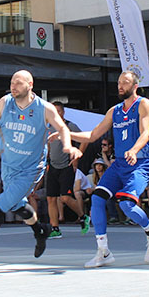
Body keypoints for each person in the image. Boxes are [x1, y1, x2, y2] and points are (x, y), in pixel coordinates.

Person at [0, 71, 80, 272]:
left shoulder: (44, 108)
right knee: (17, 205)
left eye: (17, 83)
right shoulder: (4, 102)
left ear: (30, 84)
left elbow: (61, 128)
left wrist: (68, 145)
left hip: (30, 169)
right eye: (11, 82)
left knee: (0, 206)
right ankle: (40, 230)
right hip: (9, 165)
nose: (13, 86)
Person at [63, 71, 149, 268]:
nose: (120, 86)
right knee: (97, 198)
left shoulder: (144, 104)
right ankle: (104, 251)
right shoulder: (114, 111)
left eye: (124, 83)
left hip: (141, 161)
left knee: (126, 204)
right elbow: (92, 135)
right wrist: (66, 133)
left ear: (135, 86)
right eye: (118, 83)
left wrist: (134, 149)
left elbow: (144, 133)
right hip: (120, 163)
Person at [43, 102, 84, 239]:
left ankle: (83, 216)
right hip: (53, 166)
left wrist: (78, 154)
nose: (56, 114)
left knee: (65, 198)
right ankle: (55, 228)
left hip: (66, 165)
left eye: (58, 111)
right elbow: (48, 145)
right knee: (50, 198)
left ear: (63, 112)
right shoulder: (48, 127)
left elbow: (85, 140)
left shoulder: (70, 126)